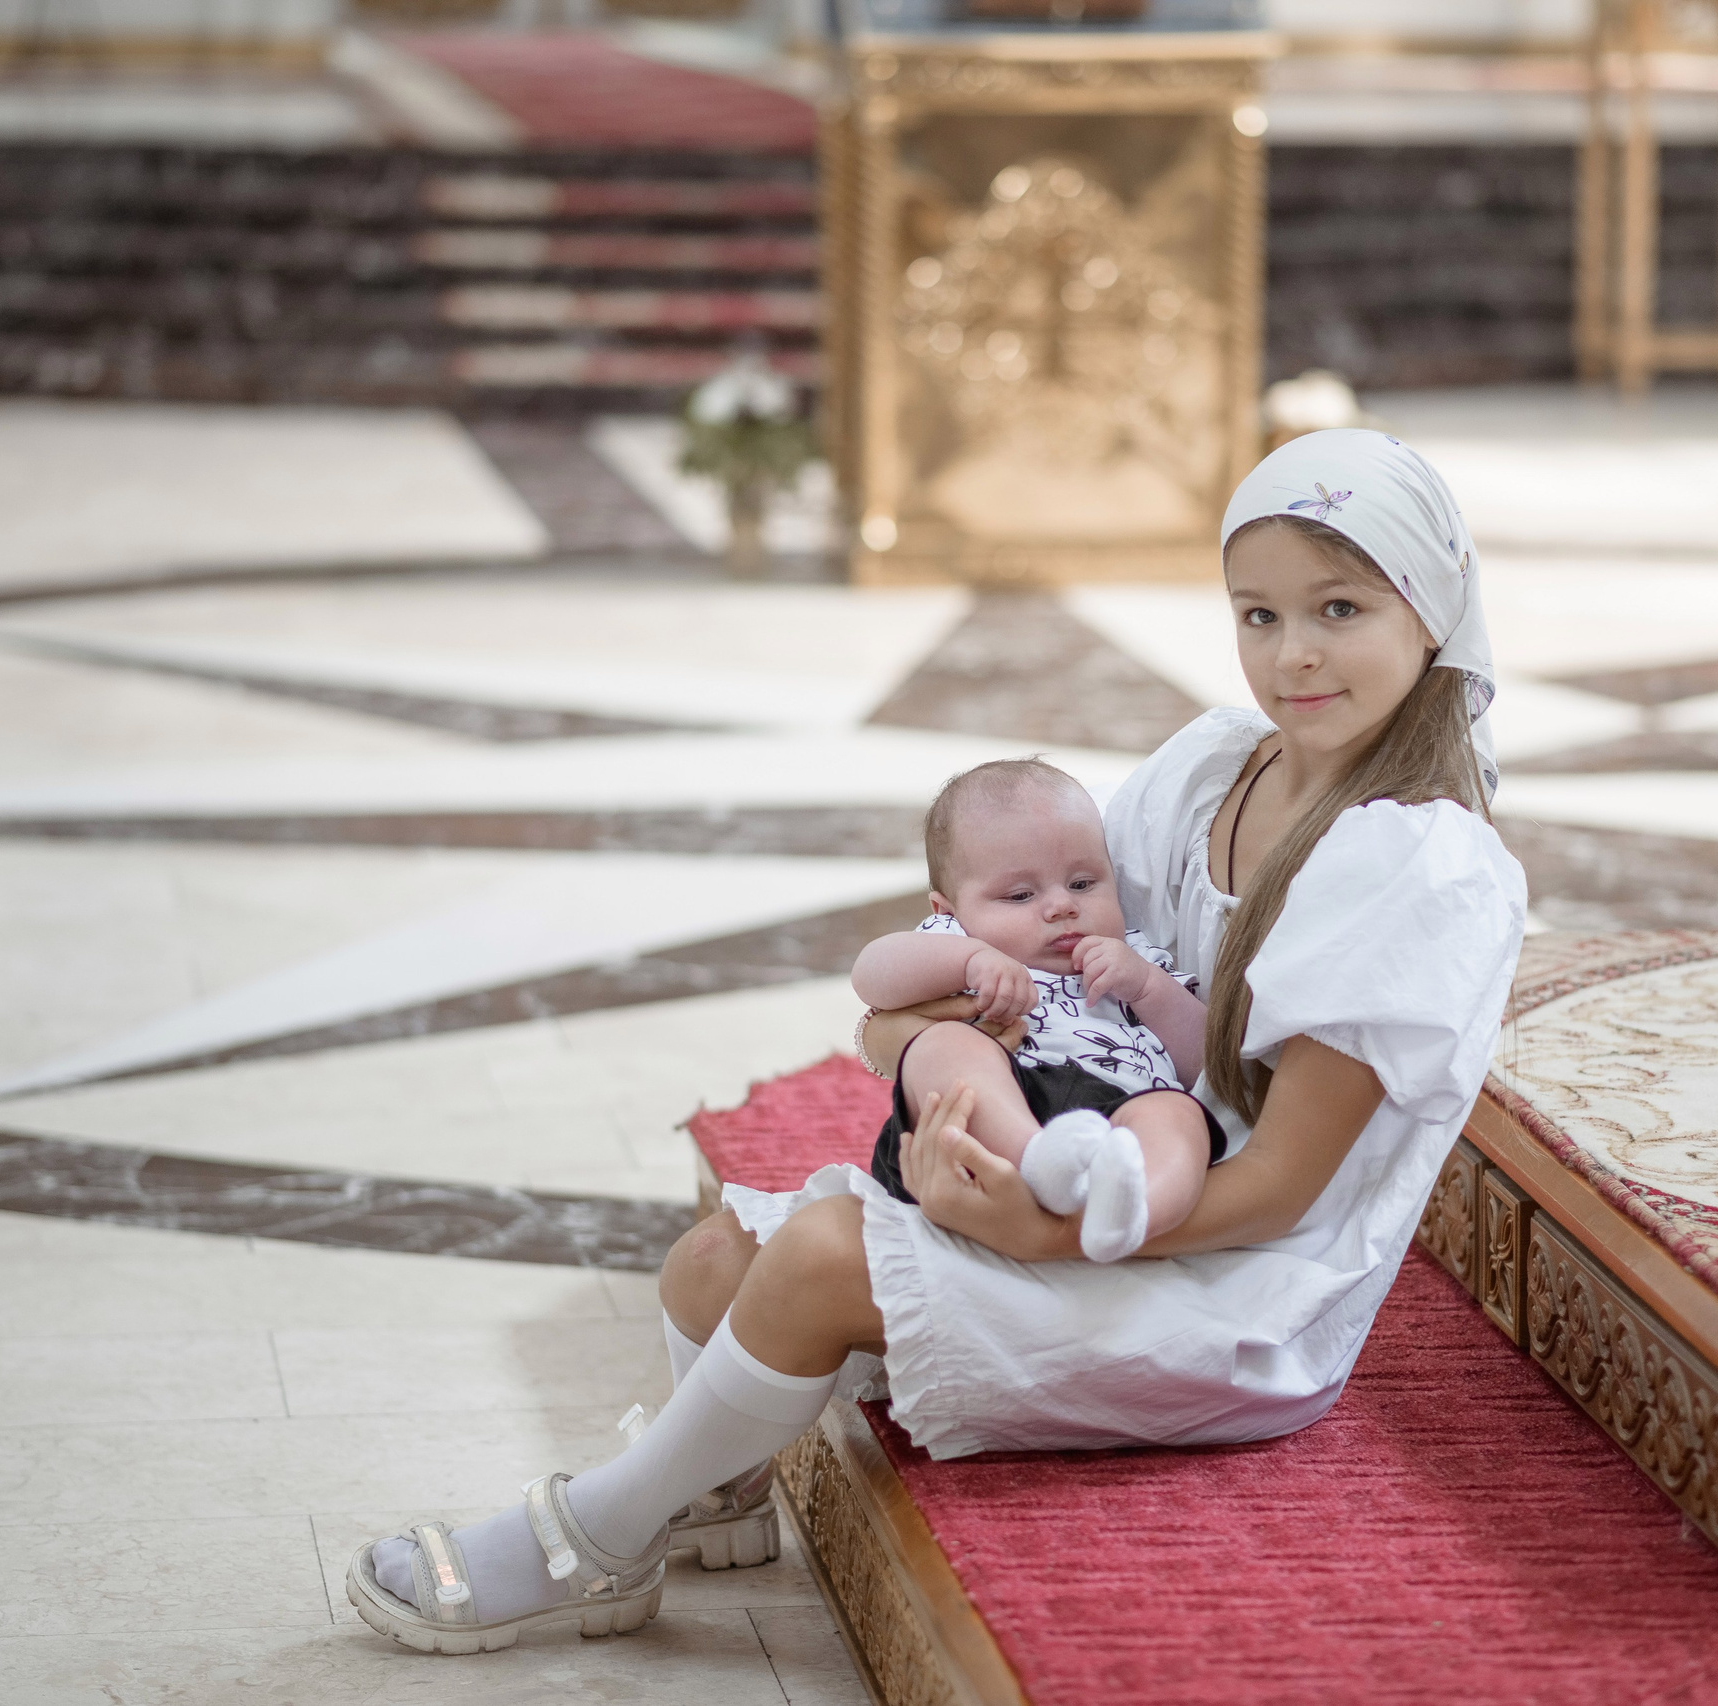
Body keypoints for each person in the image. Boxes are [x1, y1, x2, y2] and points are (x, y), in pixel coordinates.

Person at [346, 428, 1527, 1657]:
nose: (1294, 654)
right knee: (708, 1262)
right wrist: (911, 1034)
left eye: (1340, 608)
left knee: (810, 1255)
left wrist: (1036, 1224)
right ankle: (710, 1491)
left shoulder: (1416, 862)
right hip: (1082, 1141)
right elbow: (1022, 948)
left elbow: (1284, 1188)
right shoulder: (1214, 766)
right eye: (1258, 613)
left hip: (1226, 1273)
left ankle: (598, 1540)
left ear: (1429, 607)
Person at [850, 757, 1226, 1266]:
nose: (1060, 907)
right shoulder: (956, 944)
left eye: (1082, 884)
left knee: (1180, 1114)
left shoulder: (1135, 958)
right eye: (1020, 895)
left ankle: (1133, 1214)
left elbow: (1207, 1065)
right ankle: (1037, 1159)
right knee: (943, 1046)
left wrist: (1149, 988)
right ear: (948, 909)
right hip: (983, 1128)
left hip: (1116, 1124)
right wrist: (971, 960)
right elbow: (871, 974)